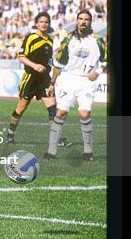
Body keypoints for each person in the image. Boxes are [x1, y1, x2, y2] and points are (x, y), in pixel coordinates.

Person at [45, 10, 106, 161]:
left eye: (86, 19)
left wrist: (98, 71)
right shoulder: (68, 39)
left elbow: (106, 59)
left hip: (87, 81)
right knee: (60, 113)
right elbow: (58, 64)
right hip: (68, 79)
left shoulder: (98, 40)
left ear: (90, 22)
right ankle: (51, 152)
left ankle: (88, 151)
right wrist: (52, 83)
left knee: (84, 114)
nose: (83, 22)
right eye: (80, 19)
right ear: (76, 21)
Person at [6, 12, 71, 147]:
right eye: (41, 21)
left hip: (44, 80)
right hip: (30, 78)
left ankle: (56, 139)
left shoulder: (50, 40)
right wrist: (35, 66)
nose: (44, 24)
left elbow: (48, 61)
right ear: (36, 23)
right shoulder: (31, 38)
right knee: (21, 108)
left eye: (46, 22)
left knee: (53, 109)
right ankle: (10, 134)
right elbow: (21, 56)